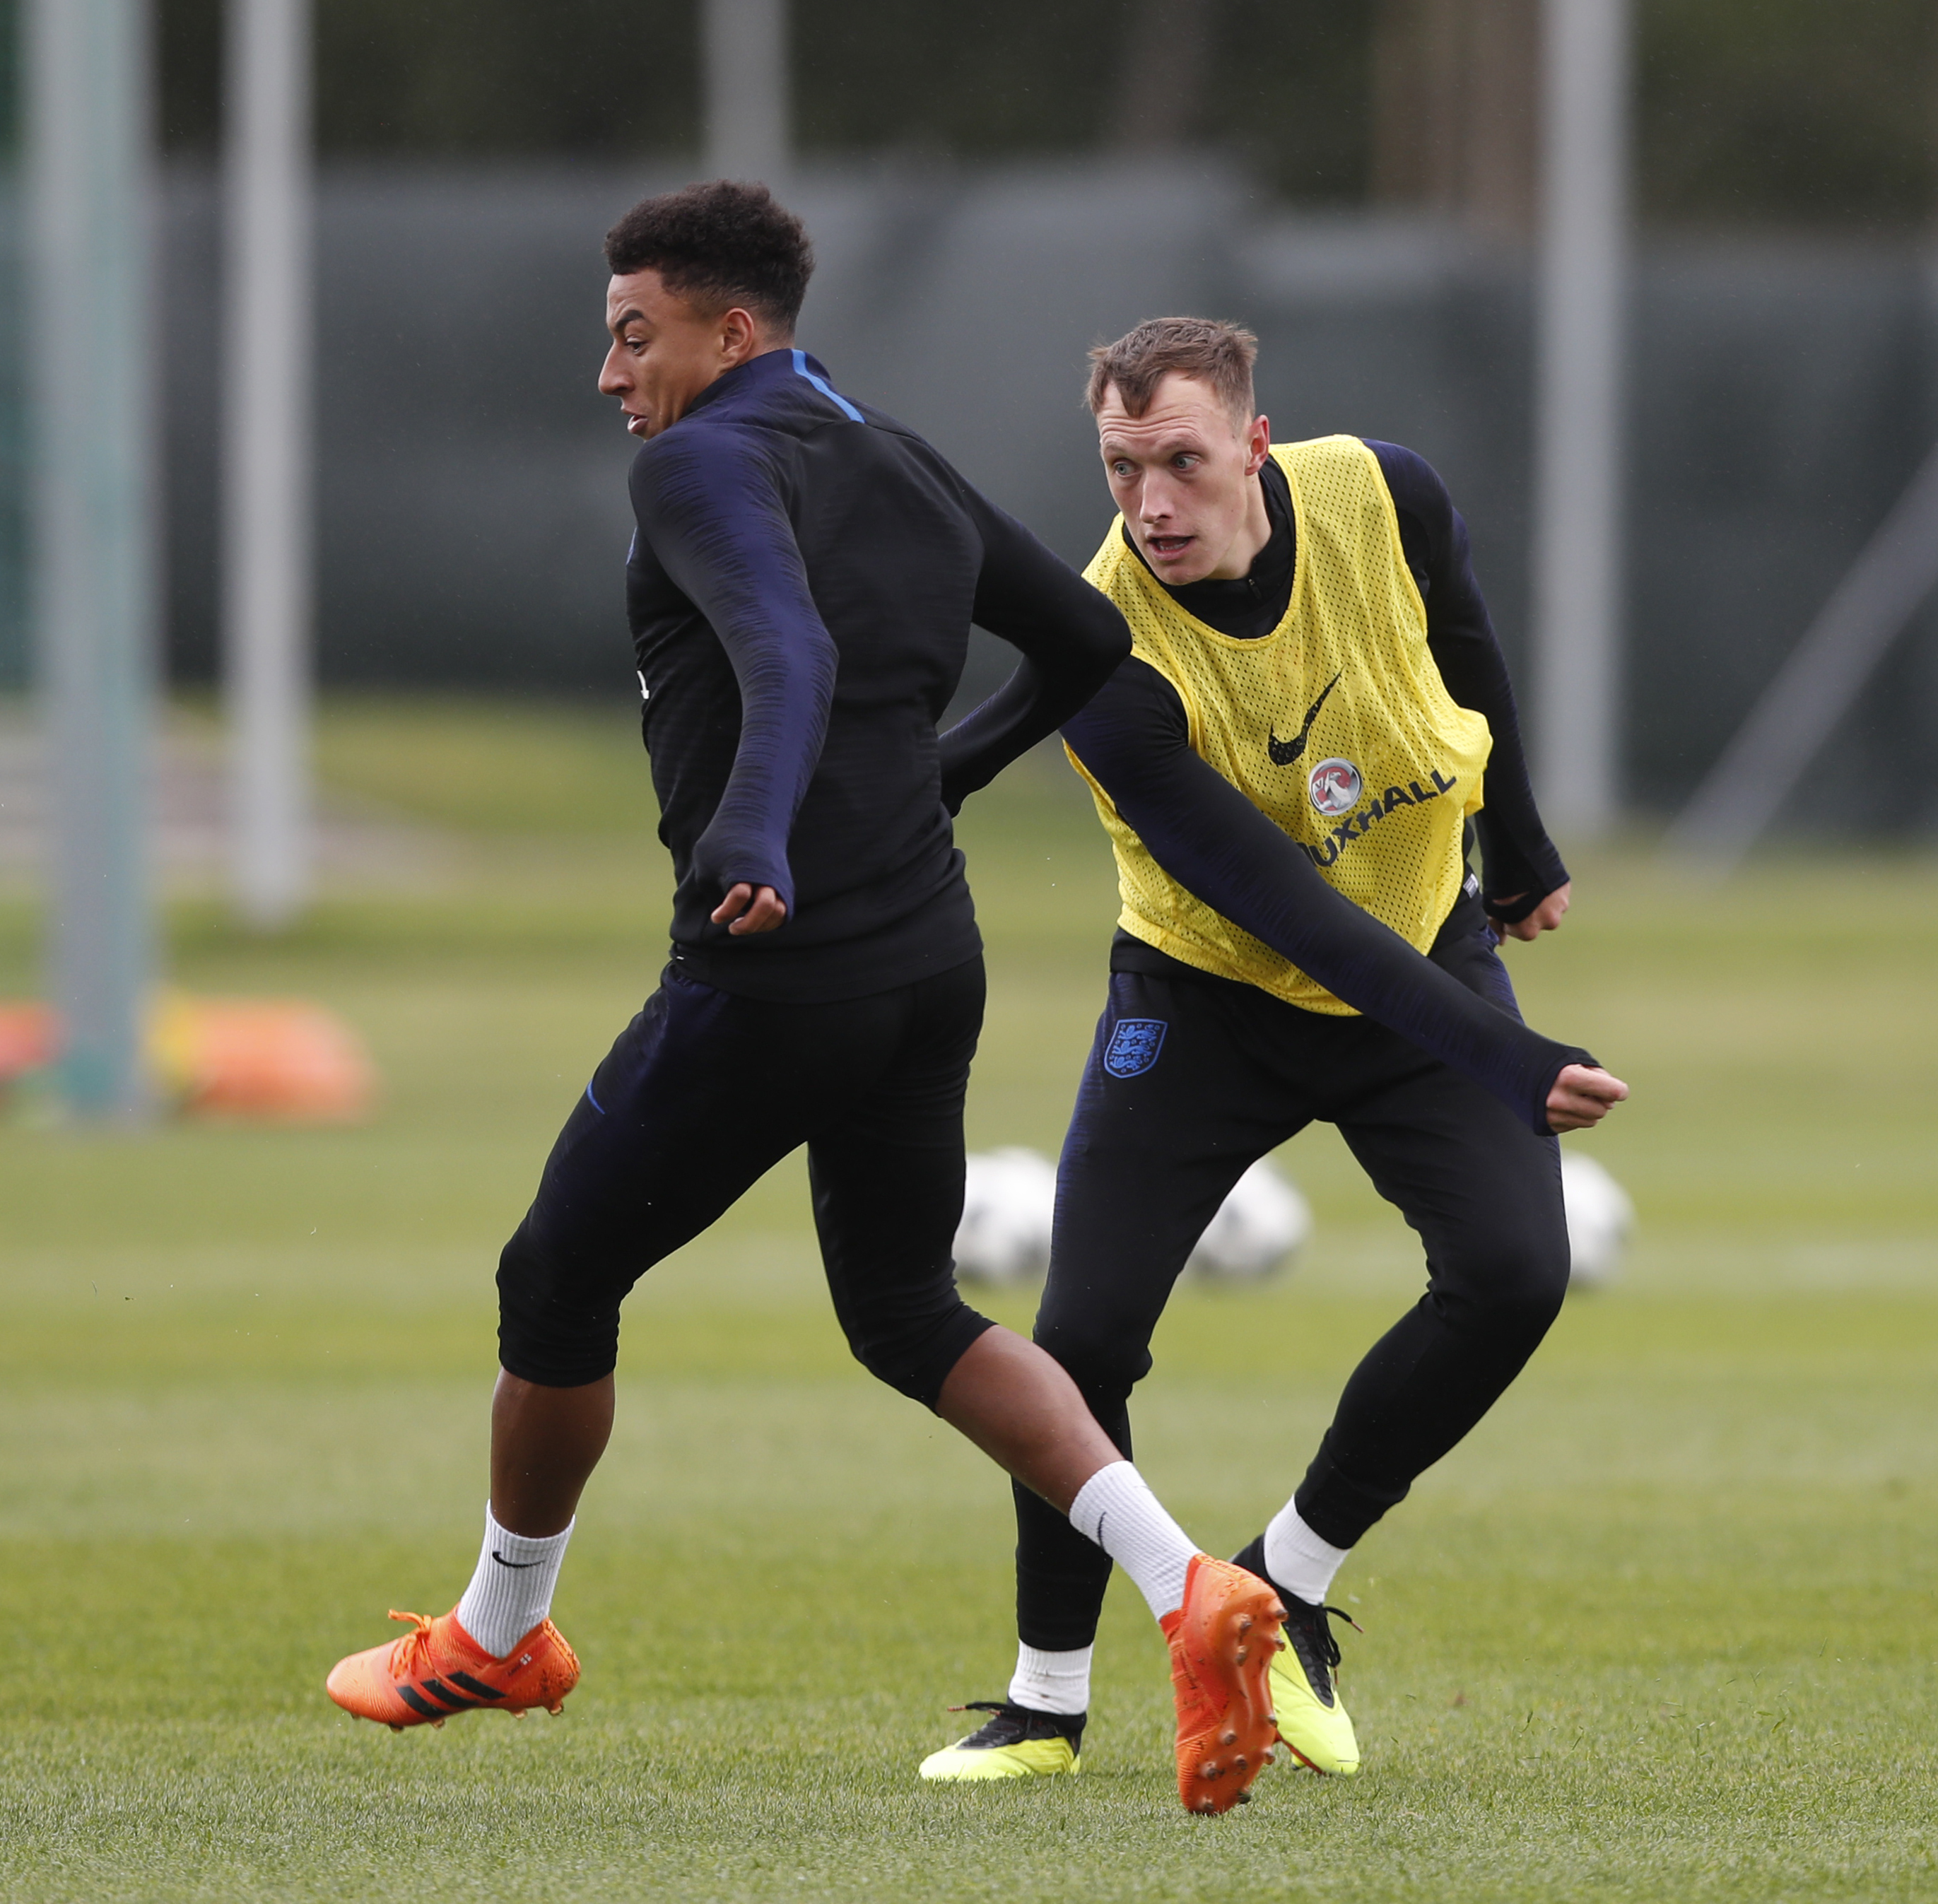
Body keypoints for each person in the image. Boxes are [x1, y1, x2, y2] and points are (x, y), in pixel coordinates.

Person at [324, 190, 1290, 1814]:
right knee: (908, 1314)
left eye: (637, 333)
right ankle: (1195, 1589)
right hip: (930, 956)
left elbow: (784, 650)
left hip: (780, 970)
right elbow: (1090, 636)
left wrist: (757, 833)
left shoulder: (697, 461)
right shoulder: (893, 452)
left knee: (553, 1279)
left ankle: (500, 1634)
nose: (611, 369)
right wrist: (947, 777)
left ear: (733, 333)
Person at [917, 315, 1629, 1785]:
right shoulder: (1109, 659)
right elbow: (1287, 913)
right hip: (1204, 1004)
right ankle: (1046, 1701)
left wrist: (1525, 847)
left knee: (1515, 1276)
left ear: (1252, 441)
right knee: (1086, 1339)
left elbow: (1467, 643)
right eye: (1120, 469)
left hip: (1425, 946)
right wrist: (1501, 1058)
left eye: (1179, 461)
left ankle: (1288, 1579)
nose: (1150, 504)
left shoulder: (1386, 492)